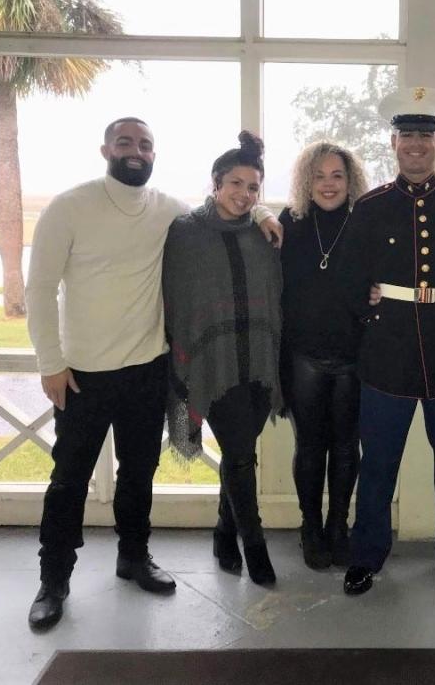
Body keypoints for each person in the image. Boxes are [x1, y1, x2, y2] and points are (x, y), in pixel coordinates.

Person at [25, 117, 279, 630]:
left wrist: (267, 209)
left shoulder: (167, 210)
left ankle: (133, 558)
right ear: (106, 149)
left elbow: (227, 208)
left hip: (146, 369)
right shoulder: (70, 206)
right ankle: (54, 580)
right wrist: (50, 362)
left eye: (144, 144)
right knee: (68, 479)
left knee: (139, 474)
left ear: (154, 154)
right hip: (82, 374)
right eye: (125, 142)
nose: (135, 151)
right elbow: (39, 288)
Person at [338, 87, 435, 597]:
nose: (416, 146)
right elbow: (349, 271)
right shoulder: (373, 205)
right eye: (407, 137)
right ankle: (366, 556)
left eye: (425, 136)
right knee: (377, 462)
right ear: (393, 143)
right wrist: (366, 304)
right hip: (387, 351)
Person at [162, 131, 283, 587]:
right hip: (213, 367)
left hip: (258, 362)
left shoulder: (262, 232)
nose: (244, 194)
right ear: (215, 183)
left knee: (239, 451)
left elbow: (275, 294)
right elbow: (177, 299)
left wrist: (266, 212)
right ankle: (255, 547)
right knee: (238, 454)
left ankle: (222, 533)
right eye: (235, 183)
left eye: (253, 188)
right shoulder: (186, 233)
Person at [279, 142, 369, 569]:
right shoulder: (289, 223)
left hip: (355, 357)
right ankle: (310, 527)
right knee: (310, 446)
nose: (329, 184)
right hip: (304, 357)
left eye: (337, 176)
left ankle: (339, 526)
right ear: (305, 181)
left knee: (348, 447)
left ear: (350, 182)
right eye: (320, 176)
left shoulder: (366, 222)